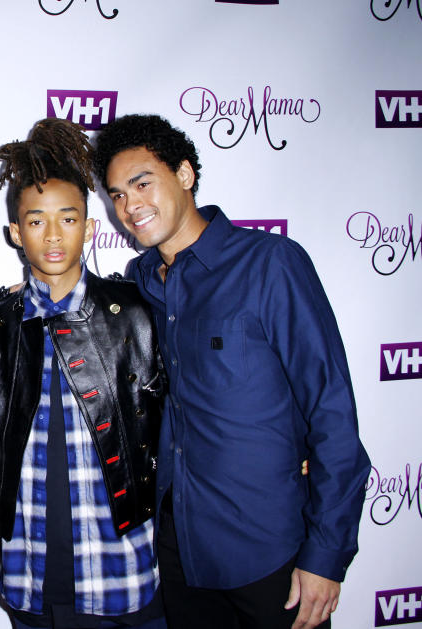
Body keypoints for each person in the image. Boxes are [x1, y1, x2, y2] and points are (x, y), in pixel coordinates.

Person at [93, 113, 371, 629]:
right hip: (180, 553)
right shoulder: (142, 281)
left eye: (141, 183)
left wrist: (326, 556)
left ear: (185, 174)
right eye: (116, 195)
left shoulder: (271, 264)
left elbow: (331, 411)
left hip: (270, 552)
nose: (129, 207)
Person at [0, 118, 166, 629]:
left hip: (121, 572)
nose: (55, 235)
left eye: (69, 218)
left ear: (89, 226)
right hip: (29, 572)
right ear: (16, 233)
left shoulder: (136, 311)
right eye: (37, 221)